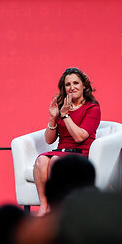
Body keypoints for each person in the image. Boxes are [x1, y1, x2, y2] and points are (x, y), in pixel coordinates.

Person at [33, 67, 101, 216]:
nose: (72, 87)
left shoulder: (92, 108)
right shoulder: (62, 106)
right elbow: (49, 140)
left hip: (81, 153)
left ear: (84, 86)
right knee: (41, 161)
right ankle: (45, 207)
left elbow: (79, 137)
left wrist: (65, 116)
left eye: (76, 83)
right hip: (61, 150)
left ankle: (59, 209)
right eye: (68, 84)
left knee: (56, 160)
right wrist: (53, 117)